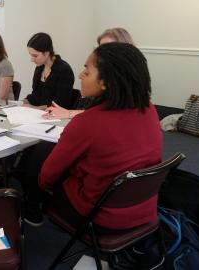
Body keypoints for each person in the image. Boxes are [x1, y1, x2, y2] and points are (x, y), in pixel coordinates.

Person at [38, 42, 162, 231]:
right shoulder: (150, 110)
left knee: (39, 166)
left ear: (105, 83)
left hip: (102, 217)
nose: (80, 75)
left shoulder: (87, 122)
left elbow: (47, 177)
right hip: (145, 209)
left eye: (87, 72)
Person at [43, 27, 134, 120]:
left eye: (109, 48)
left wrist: (69, 113)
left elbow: (112, 113)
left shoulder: (128, 80)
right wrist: (67, 112)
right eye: (101, 48)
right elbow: (93, 109)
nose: (103, 53)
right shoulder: (98, 73)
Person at [23, 32, 77, 110]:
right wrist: (25, 101)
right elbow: (36, 95)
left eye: (35, 56)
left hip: (56, 117)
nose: (32, 59)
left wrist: (34, 108)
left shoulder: (64, 70)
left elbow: (60, 104)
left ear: (47, 52)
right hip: (39, 115)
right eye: (31, 55)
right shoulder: (40, 67)